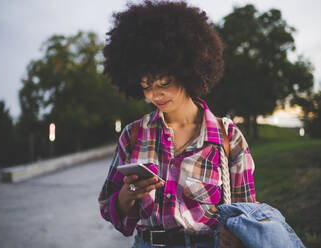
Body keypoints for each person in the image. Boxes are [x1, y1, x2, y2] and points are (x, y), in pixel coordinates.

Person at [98, 1, 256, 247]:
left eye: (164, 83)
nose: (155, 95)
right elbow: (110, 211)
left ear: (187, 71)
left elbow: (248, 214)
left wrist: (237, 235)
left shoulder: (228, 137)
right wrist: (128, 194)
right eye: (146, 87)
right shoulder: (133, 135)